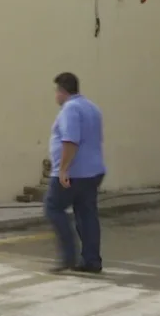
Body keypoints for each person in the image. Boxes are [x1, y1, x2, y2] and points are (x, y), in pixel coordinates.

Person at [44, 72, 106, 274]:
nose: (55, 96)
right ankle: (91, 260)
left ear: (62, 91)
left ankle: (68, 256)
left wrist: (63, 169)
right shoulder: (92, 107)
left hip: (73, 172)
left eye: (56, 91)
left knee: (53, 208)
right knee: (87, 214)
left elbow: (71, 140)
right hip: (93, 172)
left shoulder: (70, 109)